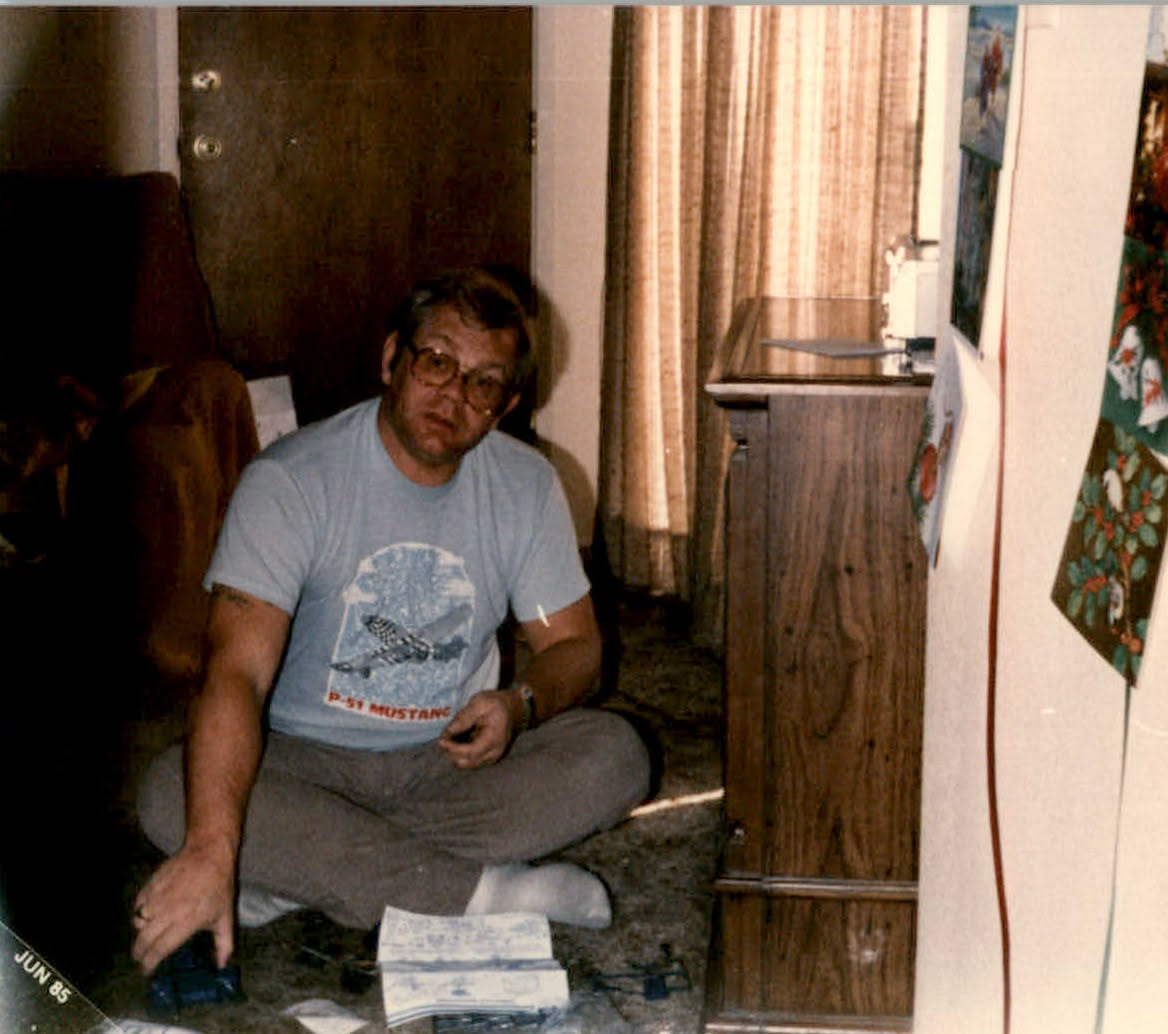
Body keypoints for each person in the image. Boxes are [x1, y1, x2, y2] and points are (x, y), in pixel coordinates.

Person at [130, 267, 651, 975]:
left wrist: (519, 704)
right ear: (391, 360)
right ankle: (485, 895)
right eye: (436, 362)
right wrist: (208, 848)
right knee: (170, 791)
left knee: (617, 755)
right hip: (301, 758)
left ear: (503, 407)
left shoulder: (526, 485)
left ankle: (306, 869)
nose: (453, 396)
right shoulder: (291, 480)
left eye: (483, 383)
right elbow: (235, 674)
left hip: (449, 759)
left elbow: (576, 647)